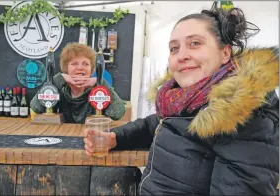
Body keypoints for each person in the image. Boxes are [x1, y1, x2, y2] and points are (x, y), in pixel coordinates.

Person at [84, 2, 279, 195]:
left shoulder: (242, 114)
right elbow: (157, 124)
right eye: (174, 48)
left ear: (225, 53)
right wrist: (116, 137)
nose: (182, 55)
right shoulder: (185, 99)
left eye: (195, 43)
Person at [30, 42, 126, 123]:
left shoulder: (98, 91)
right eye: (74, 63)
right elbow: (36, 108)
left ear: (91, 69)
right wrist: (57, 79)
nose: (80, 68)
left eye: (86, 64)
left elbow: (117, 113)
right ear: (66, 69)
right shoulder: (59, 88)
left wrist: (99, 82)